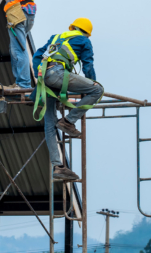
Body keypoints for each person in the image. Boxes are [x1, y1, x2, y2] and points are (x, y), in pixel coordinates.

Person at [32, 18, 103, 180]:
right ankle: (69, 121)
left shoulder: (56, 37)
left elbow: (37, 56)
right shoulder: (84, 40)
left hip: (45, 78)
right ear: (86, 32)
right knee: (97, 90)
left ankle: (58, 167)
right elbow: (88, 66)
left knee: (50, 122)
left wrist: (40, 76)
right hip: (57, 74)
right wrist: (90, 84)